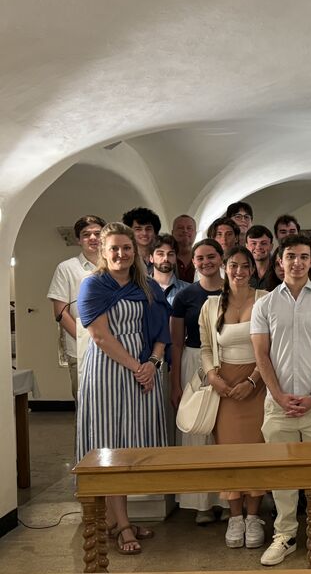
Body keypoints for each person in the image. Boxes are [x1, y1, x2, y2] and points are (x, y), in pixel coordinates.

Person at [76, 222, 170, 556]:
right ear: (102, 250)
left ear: (136, 251)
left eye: (126, 248)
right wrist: (137, 367)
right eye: (114, 248)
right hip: (109, 369)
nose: (120, 254)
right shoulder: (93, 285)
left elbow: (163, 331)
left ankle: (118, 519)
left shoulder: (146, 285)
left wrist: (153, 365)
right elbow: (100, 336)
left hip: (144, 368)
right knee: (110, 445)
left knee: (130, 444)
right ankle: (122, 525)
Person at [251, 234, 311, 566]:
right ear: (280, 261)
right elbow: (261, 354)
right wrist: (278, 395)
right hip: (277, 404)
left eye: (304, 256)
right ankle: (286, 535)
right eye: (291, 256)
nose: (298, 262)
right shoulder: (264, 304)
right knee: (283, 473)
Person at [200, 247, 268, 549]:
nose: (239, 271)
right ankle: (235, 517)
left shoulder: (265, 299)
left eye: (244, 266)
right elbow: (205, 348)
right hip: (224, 387)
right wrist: (213, 376)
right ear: (225, 268)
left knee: (255, 453)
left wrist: (253, 381)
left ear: (252, 269)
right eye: (233, 266)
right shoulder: (211, 305)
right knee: (229, 454)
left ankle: (254, 518)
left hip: (257, 383)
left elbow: (272, 348)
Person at [170, 239, 227, 525]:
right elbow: (176, 343)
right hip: (193, 361)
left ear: (221, 258)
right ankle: (201, 503)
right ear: (193, 262)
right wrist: (175, 384)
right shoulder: (185, 296)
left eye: (211, 256)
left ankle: (227, 499)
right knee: (198, 430)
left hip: (228, 361)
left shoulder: (232, 291)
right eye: (200, 258)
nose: (206, 262)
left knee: (224, 431)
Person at [48, 214, 106, 401]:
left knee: (111, 405)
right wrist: (86, 339)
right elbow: (60, 311)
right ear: (78, 239)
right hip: (81, 349)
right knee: (85, 407)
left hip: (117, 347)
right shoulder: (67, 268)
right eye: (86, 234)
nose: (93, 238)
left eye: (97, 233)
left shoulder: (116, 266)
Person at [150, 234, 190, 305]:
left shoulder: (189, 290)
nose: (166, 258)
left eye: (170, 254)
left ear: (176, 258)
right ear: (151, 258)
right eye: (160, 254)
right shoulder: (140, 288)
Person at [246, 225, 274, 290]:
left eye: (263, 243)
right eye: (253, 243)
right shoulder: (241, 272)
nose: (258, 247)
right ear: (246, 246)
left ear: (271, 246)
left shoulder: (280, 270)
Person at [171, 215, 197, 283]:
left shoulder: (202, 258)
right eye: (180, 228)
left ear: (195, 233)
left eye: (189, 228)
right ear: (172, 233)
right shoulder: (165, 259)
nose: (185, 231)